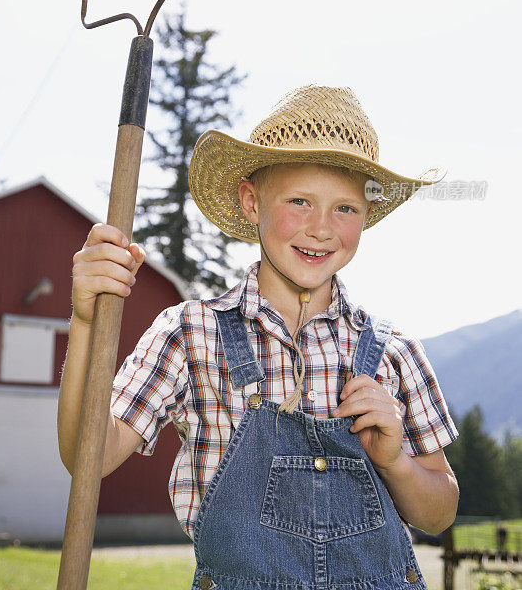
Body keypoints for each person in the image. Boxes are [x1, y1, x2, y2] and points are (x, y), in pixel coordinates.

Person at [58, 85, 459, 590]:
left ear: (366, 216)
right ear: (252, 201)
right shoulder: (190, 334)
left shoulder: (394, 353)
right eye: (299, 201)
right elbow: (85, 457)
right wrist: (87, 323)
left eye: (346, 209)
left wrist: (396, 462)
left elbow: (440, 511)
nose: (322, 229)